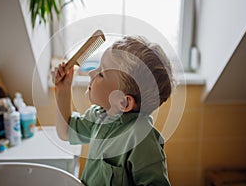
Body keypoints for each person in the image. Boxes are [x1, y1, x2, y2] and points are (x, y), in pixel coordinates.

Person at [53, 35, 173, 186]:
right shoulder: (99, 116)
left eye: (101, 73)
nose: (91, 73)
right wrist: (63, 90)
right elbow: (65, 132)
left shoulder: (142, 138)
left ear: (123, 102)